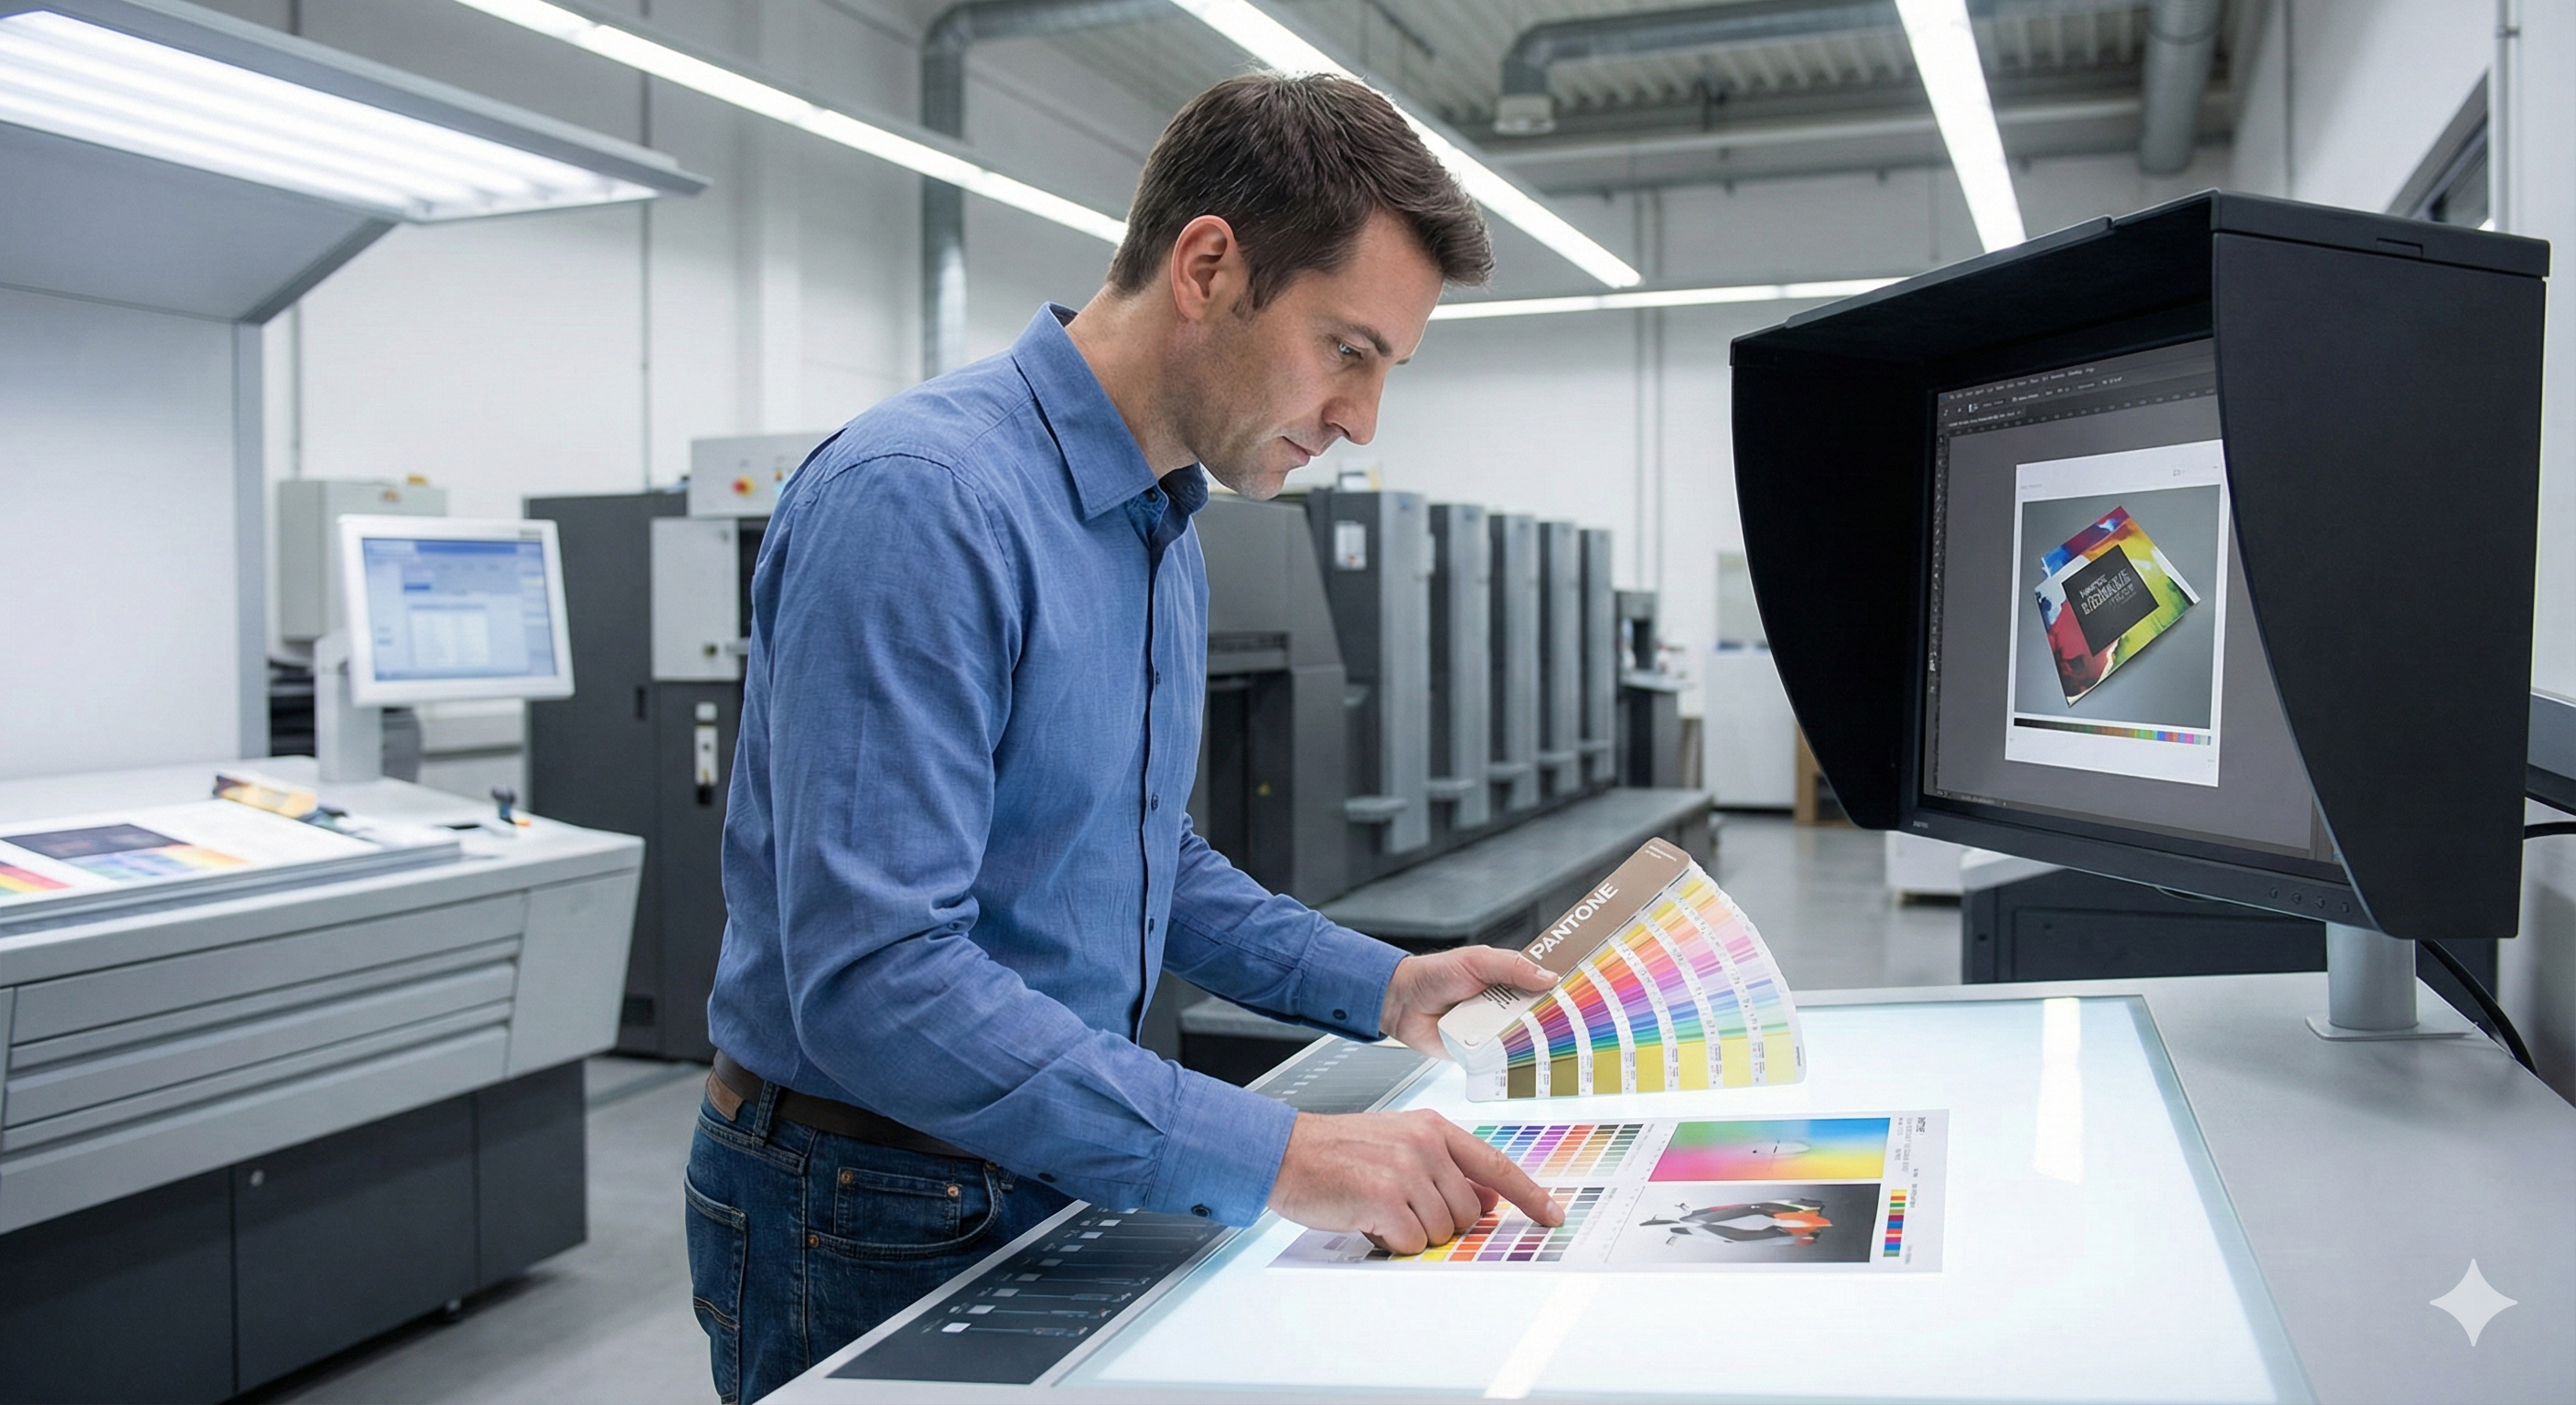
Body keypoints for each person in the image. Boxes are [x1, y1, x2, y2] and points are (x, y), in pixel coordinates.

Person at [684, 71, 1563, 1404]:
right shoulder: (921, 502)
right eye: (1349, 350)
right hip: (864, 1202)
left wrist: (1384, 986)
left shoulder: (1160, 522)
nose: (1360, 420)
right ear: (1209, 265)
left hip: (1055, 1158)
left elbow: (1146, 852)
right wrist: (1278, 1153)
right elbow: (875, 979)